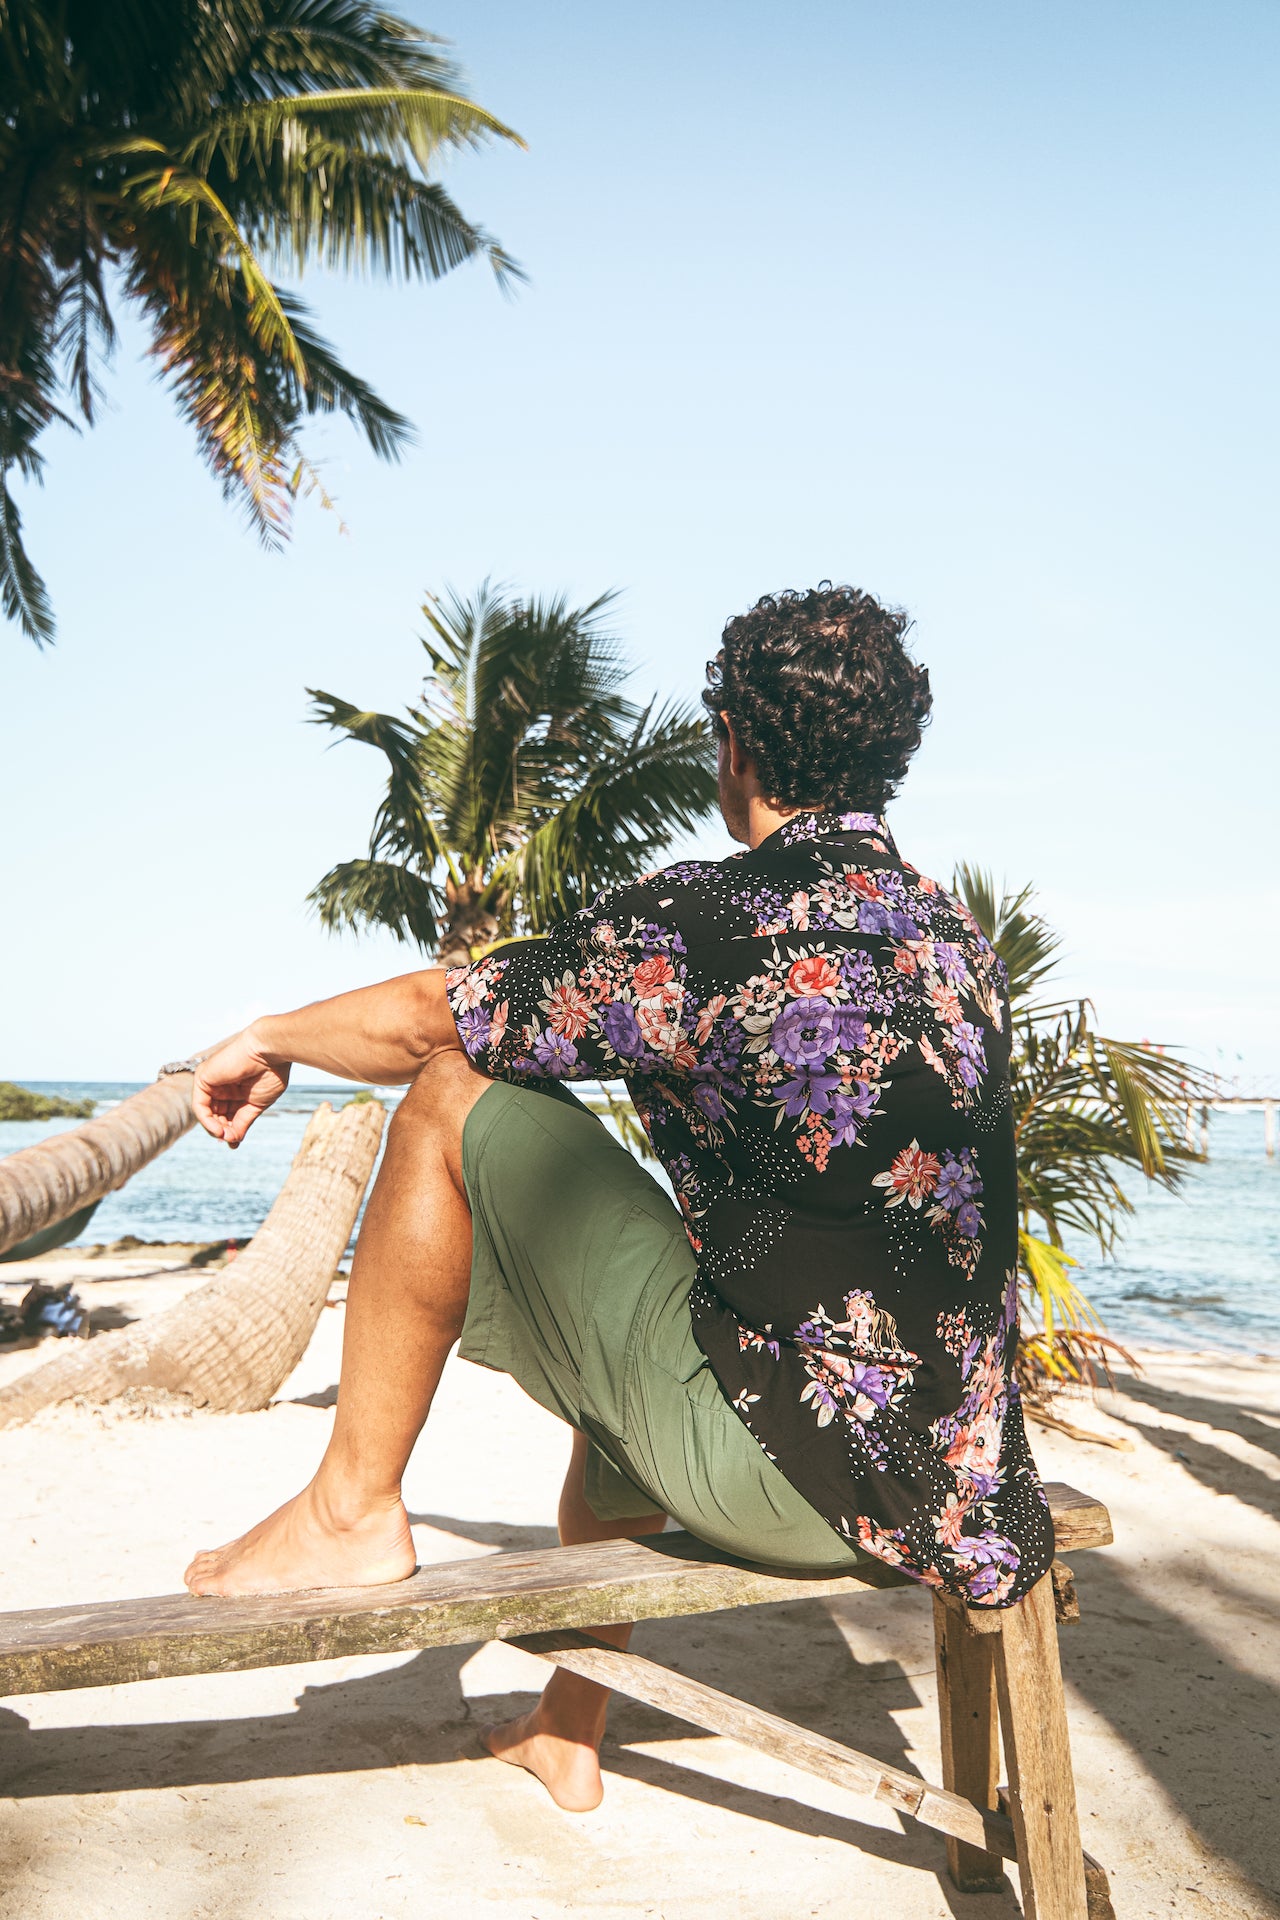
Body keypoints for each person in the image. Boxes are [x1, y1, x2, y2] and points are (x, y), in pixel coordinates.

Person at [185, 582, 1053, 1812]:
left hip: (787, 1478)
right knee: (673, 1297)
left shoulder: (707, 917)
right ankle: (567, 1728)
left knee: (447, 1094)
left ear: (734, 742)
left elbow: (449, 1017)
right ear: (883, 758)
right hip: (957, 1475)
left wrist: (270, 1034)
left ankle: (350, 1508)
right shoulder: (952, 935)